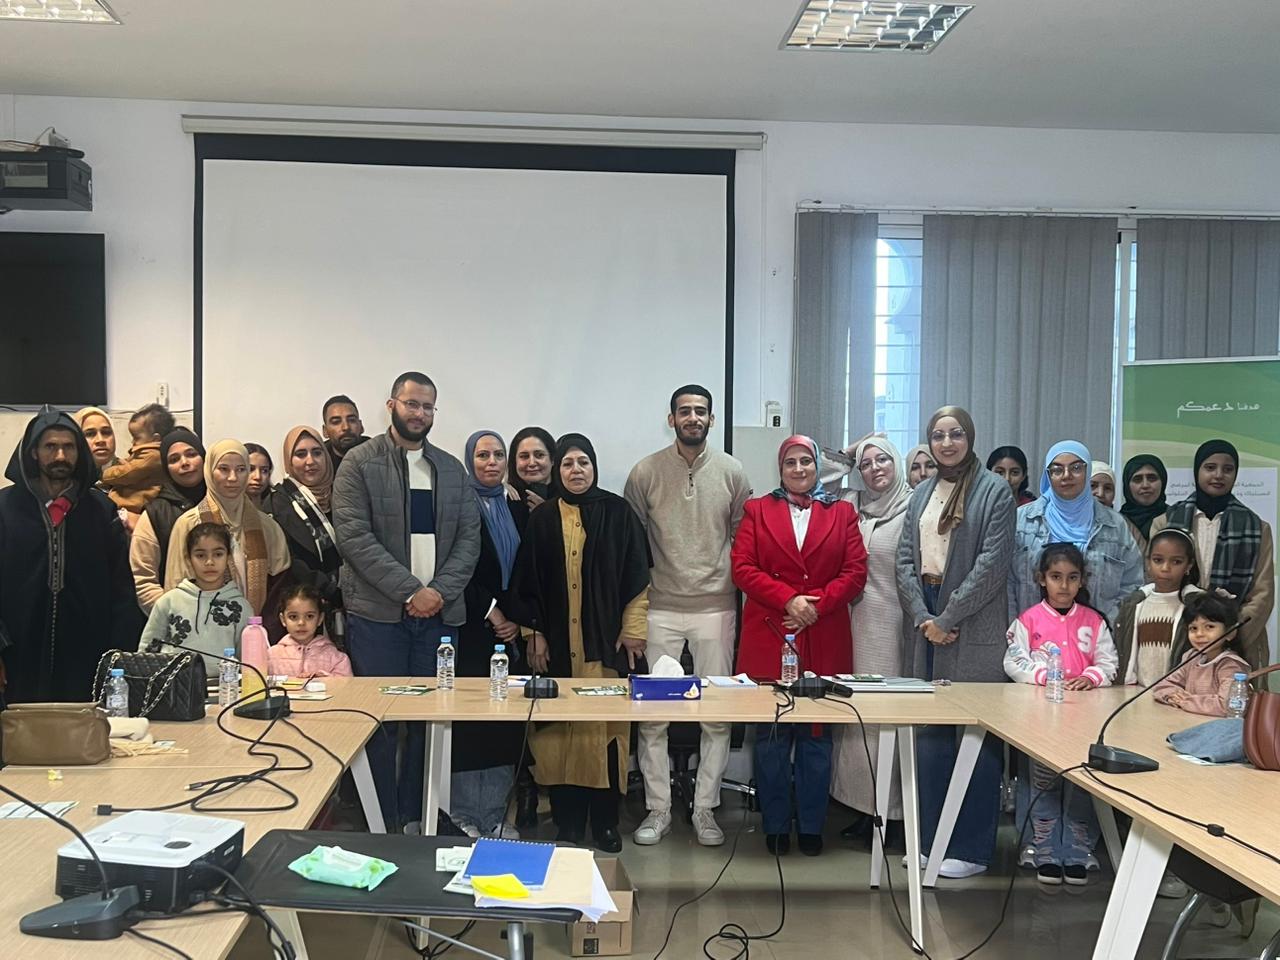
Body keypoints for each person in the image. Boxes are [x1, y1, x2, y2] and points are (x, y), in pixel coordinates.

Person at [332, 371, 480, 833]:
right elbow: (354, 538)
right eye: (411, 403)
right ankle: (381, 823)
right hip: (378, 618)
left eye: (427, 406)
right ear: (391, 405)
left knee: (430, 722)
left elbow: (469, 540)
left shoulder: (451, 470)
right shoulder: (359, 463)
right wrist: (411, 591)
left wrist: (437, 592)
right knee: (380, 722)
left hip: (439, 618)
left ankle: (422, 818)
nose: (419, 413)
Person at [625, 385, 752, 848]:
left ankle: (705, 809)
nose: (692, 417)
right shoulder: (645, 472)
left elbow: (742, 537)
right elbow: (633, 543)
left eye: (700, 411)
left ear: (711, 419)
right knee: (653, 714)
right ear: (672, 419)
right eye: (684, 411)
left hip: (715, 606)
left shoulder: (733, 472)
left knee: (715, 714)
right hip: (659, 605)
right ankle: (658, 808)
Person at [511, 434, 649, 853]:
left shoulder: (618, 513)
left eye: (583, 462)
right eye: (568, 463)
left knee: (605, 734)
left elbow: (637, 578)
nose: (576, 470)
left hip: (604, 647)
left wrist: (634, 628)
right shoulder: (543, 518)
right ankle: (568, 823)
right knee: (559, 737)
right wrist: (533, 633)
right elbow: (527, 584)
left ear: (594, 467)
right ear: (558, 470)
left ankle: (605, 823)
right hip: (556, 648)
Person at [733, 435, 867, 857]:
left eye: (805, 461)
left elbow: (856, 571)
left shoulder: (842, 513)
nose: (798, 469)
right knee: (771, 735)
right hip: (771, 630)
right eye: (790, 462)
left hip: (824, 632)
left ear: (816, 466)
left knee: (816, 736)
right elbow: (742, 567)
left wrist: (815, 607)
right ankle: (775, 824)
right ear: (780, 469)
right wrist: (789, 600)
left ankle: (811, 824)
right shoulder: (757, 509)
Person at [896, 406, 1015, 879]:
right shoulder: (922, 492)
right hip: (926, 619)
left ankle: (969, 848)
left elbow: (992, 564)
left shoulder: (994, 491)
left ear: (970, 437)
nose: (947, 443)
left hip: (972, 620)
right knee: (930, 737)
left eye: (956, 434)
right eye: (938, 435)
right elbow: (905, 560)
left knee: (973, 735)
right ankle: (929, 841)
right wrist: (923, 616)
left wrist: (947, 617)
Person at [0, 407, 140, 703]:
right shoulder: (5, 509)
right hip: (17, 657)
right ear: (34, 452)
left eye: (68, 447)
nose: (61, 456)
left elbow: (122, 590)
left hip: (87, 658)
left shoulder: (100, 510)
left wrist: (119, 656)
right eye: (50, 447)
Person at [1004, 543, 1117, 886]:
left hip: (1083, 721)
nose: (1064, 586)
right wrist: (1043, 676)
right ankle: (1042, 847)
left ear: (1082, 580)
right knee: (1044, 781)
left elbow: (1108, 662)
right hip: (1041, 721)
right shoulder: (1028, 620)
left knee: (1080, 782)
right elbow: (1013, 662)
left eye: (1072, 577)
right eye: (1056, 577)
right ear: (1041, 579)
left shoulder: (1094, 621)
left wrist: (1091, 677)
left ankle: (1078, 848)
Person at [829, 435, 913, 849]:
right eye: (867, 463)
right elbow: (816, 476)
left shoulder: (913, 505)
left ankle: (895, 814)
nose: (875, 468)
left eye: (883, 459)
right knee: (858, 719)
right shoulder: (852, 504)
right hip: (854, 626)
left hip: (896, 627)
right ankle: (865, 809)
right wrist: (850, 454)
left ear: (897, 462)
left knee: (890, 720)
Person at [450, 430, 529, 840]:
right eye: (482, 455)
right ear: (470, 460)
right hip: (470, 626)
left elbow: (527, 567)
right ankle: (464, 814)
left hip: (510, 631)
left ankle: (496, 815)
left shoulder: (516, 506)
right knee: (470, 723)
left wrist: (515, 617)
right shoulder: (457, 505)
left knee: (504, 725)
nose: (492, 462)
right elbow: (453, 567)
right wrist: (492, 610)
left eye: (499, 454)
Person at [1150, 439, 1274, 670]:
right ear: (1197, 471)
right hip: (1177, 636)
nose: (1218, 475)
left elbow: (1262, 595)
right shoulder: (1165, 523)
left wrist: (1227, 635)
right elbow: (1158, 584)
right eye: (1210, 467)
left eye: (1228, 469)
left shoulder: (1257, 528)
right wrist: (1191, 631)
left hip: (1238, 641)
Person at [1010, 442, 1144, 625]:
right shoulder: (1022, 520)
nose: (1067, 476)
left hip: (1096, 636)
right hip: (1033, 633)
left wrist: (1105, 626)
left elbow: (1132, 584)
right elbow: (1006, 582)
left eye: (1076, 468)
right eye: (1057, 470)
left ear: (1087, 472)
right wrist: (1017, 628)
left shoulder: (1115, 525)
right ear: (1048, 475)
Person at [163, 440, 292, 617]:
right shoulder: (189, 524)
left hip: (258, 628)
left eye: (241, 469)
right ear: (210, 471)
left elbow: (280, 589)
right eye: (224, 469)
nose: (233, 478)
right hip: (201, 628)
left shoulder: (267, 526)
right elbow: (176, 589)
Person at [139, 521, 250, 674]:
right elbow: (146, 652)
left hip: (224, 684)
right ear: (188, 558)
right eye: (200, 555)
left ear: (228, 557)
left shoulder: (241, 606)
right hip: (173, 684)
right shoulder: (169, 601)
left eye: (218, 554)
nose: (209, 562)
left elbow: (248, 661)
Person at [260, 426, 342, 616]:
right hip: (303, 607)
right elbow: (289, 559)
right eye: (300, 454)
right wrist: (328, 589)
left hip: (352, 601)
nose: (310, 461)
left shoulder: (343, 494)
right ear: (289, 460)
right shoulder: (278, 502)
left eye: (317, 452)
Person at [130, 428, 206, 613]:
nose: (184, 463)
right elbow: (144, 580)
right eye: (174, 459)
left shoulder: (224, 504)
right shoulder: (155, 513)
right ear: (166, 468)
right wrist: (174, 616)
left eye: (191, 454)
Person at [1115, 528, 1203, 686]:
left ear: (1189, 565)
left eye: (1176, 562)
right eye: (1158, 560)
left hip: (1180, 694)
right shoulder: (1132, 605)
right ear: (1148, 562)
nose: (1165, 568)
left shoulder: (1198, 606)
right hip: (1137, 692)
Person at [1153, 592, 1251, 717]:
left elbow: (1227, 705)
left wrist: (1186, 701)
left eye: (1209, 627)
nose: (1199, 634)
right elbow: (1162, 685)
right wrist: (1171, 696)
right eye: (1193, 628)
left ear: (1230, 633)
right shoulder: (1191, 657)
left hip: (1217, 726)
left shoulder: (1231, 665)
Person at [99, 403, 175, 515]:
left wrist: (104, 474)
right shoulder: (147, 453)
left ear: (155, 438)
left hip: (133, 507)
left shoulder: (152, 456)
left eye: (136, 437)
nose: (133, 442)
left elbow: (126, 474)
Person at [267, 583, 353, 679]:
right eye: (293, 617)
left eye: (309, 616)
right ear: (283, 619)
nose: (301, 623)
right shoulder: (270, 656)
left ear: (320, 618)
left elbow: (347, 685)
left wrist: (323, 679)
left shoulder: (335, 657)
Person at [1118, 454, 1168, 554]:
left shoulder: (1175, 518)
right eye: (1137, 479)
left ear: (1163, 482)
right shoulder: (1117, 522)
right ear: (1127, 485)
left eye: (1152, 478)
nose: (1145, 485)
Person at [508, 426, 556, 511]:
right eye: (524, 456)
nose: (532, 463)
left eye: (539, 455)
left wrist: (547, 512)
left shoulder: (568, 496)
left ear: (552, 459)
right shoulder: (507, 498)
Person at [322, 394, 367, 470]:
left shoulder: (377, 454)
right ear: (325, 431)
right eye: (336, 422)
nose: (346, 427)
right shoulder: (319, 462)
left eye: (352, 420)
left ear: (361, 426)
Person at [74, 406, 119, 470]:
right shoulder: (65, 473)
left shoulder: (128, 473)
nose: (100, 440)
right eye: (90, 434)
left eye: (106, 432)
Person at [244, 443, 273, 508]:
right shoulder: (225, 509)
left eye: (264, 471)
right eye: (251, 469)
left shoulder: (278, 507)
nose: (258, 477)